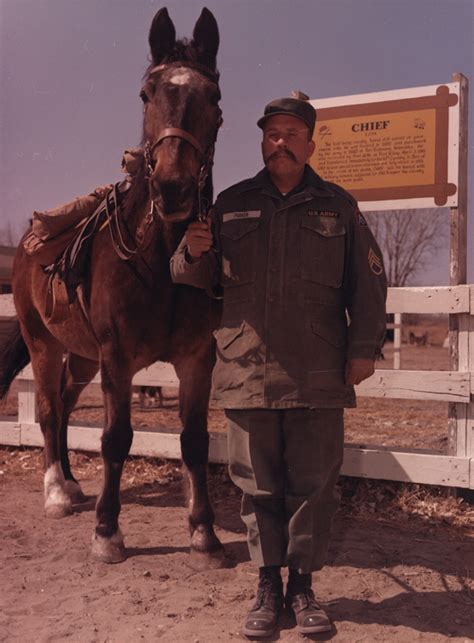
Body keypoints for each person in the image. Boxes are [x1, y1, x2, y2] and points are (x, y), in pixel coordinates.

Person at [170, 97, 387, 637]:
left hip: (319, 371)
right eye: (272, 133)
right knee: (256, 486)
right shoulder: (230, 203)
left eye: (292, 132)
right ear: (262, 143)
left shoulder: (338, 206)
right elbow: (186, 274)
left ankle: (304, 587)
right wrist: (193, 252)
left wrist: (363, 349)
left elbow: (369, 283)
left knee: (314, 486)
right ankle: (268, 585)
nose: (281, 141)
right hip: (248, 368)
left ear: (310, 144)